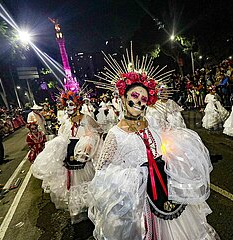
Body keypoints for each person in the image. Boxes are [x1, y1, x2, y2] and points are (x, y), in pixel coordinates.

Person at [88, 50, 219, 239]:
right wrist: (136, 176)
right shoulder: (114, 134)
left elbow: (166, 145)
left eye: (143, 99)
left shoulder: (152, 124)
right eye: (134, 96)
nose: (138, 102)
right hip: (140, 203)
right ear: (123, 98)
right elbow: (102, 172)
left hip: (164, 190)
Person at [31, 90, 103, 224]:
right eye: (66, 105)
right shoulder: (66, 121)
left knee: (87, 184)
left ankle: (92, 210)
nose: (69, 107)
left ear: (78, 104)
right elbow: (62, 137)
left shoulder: (86, 118)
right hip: (69, 160)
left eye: (71, 104)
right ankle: (79, 211)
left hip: (84, 159)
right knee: (74, 186)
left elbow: (99, 131)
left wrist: (89, 141)